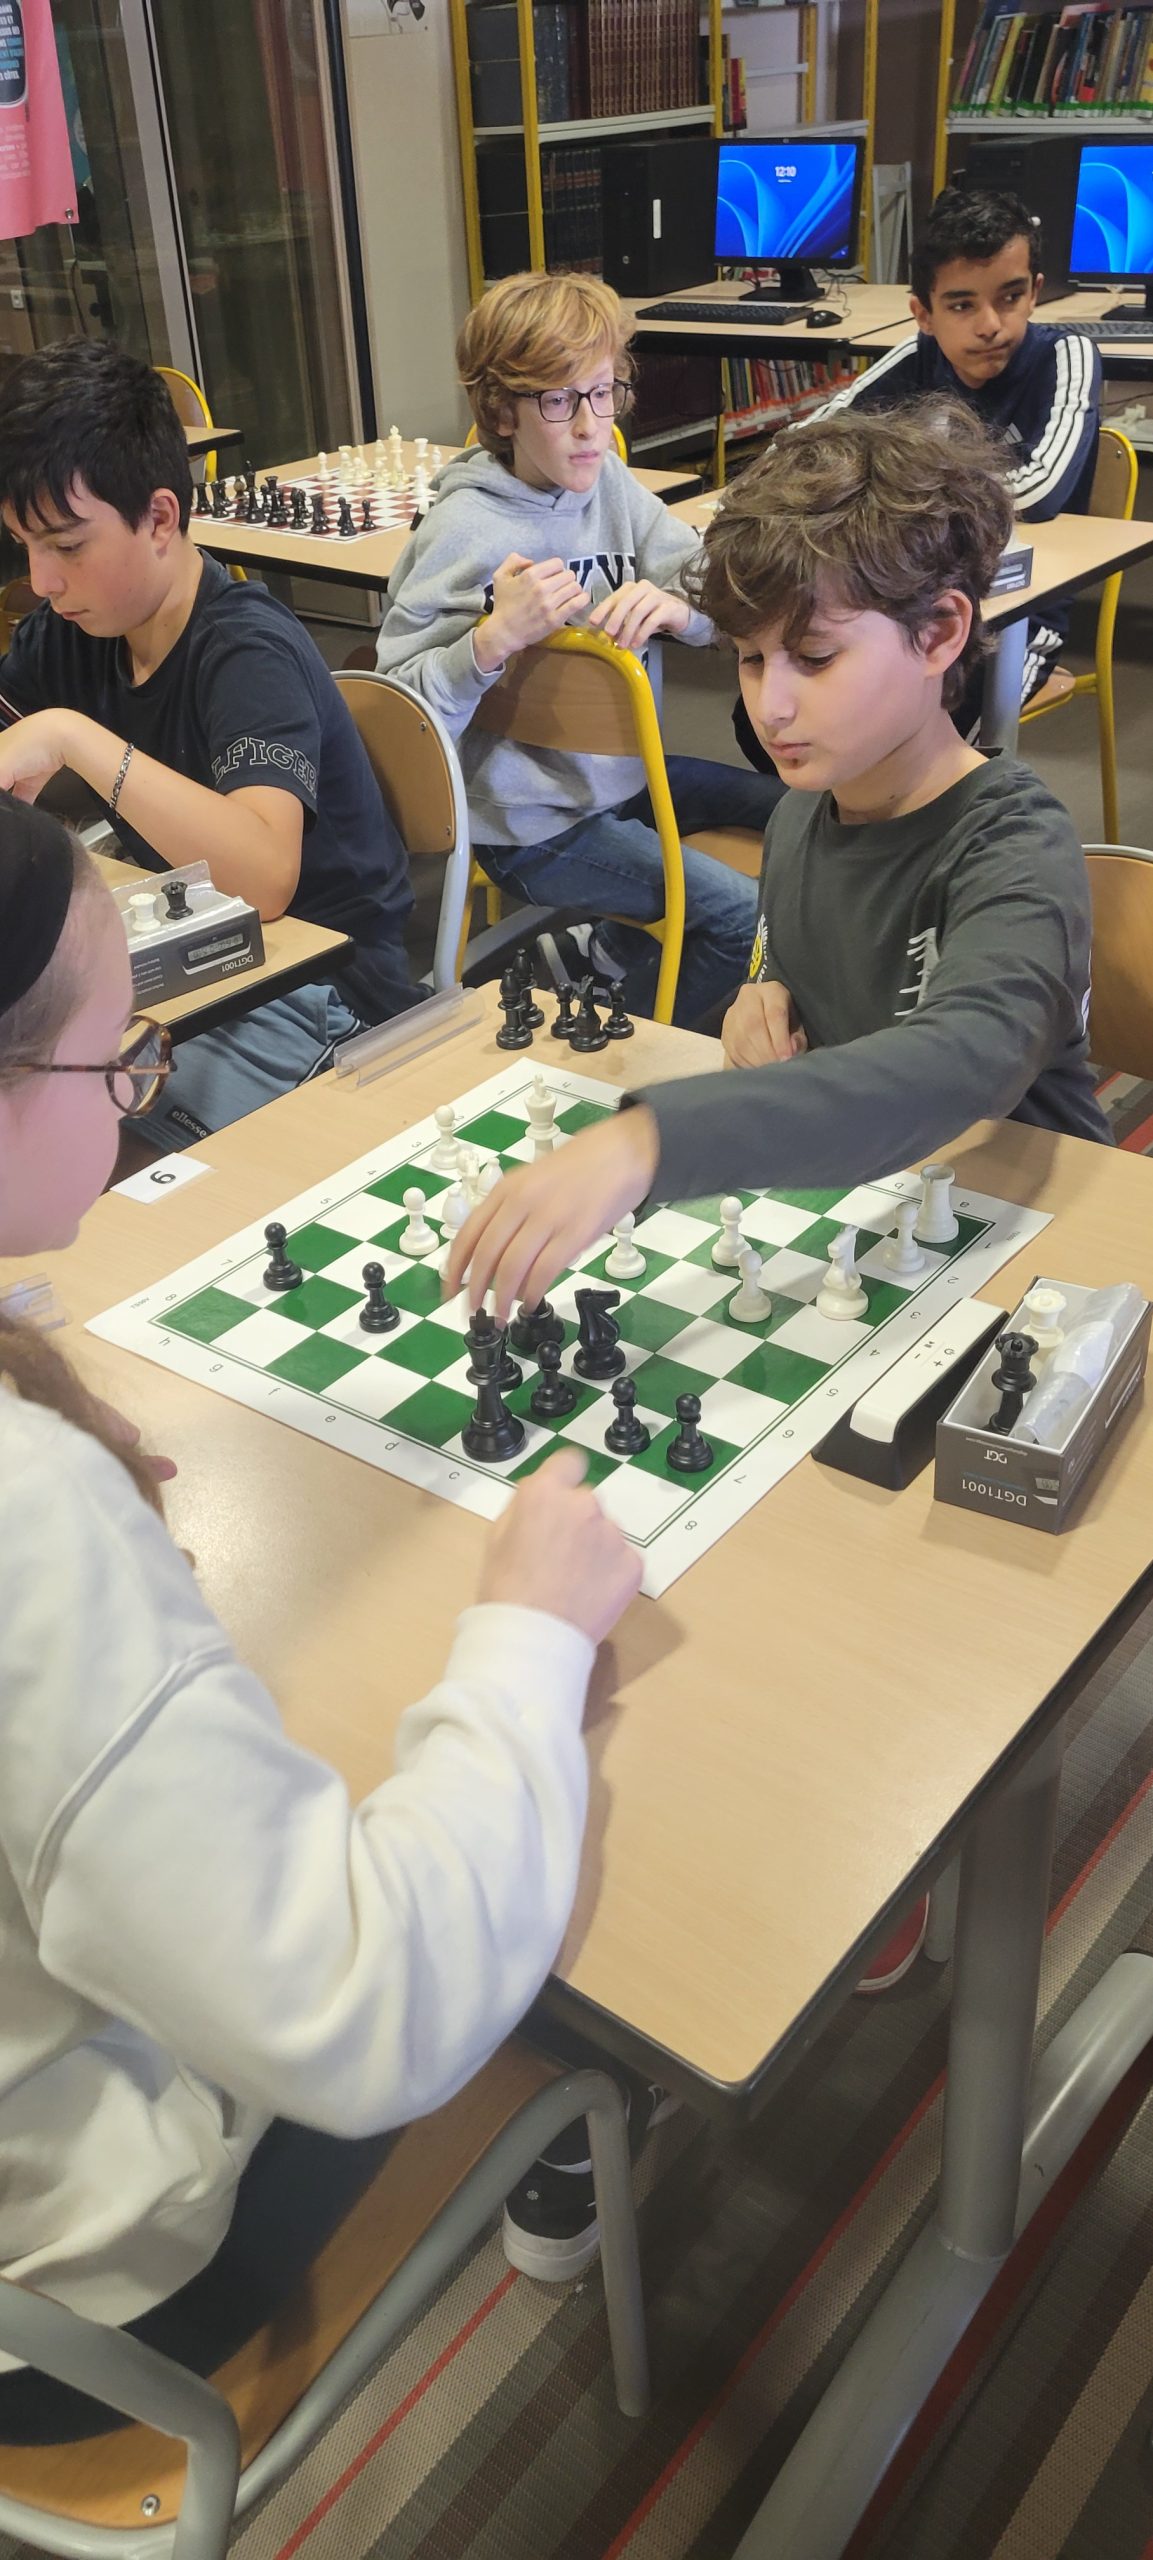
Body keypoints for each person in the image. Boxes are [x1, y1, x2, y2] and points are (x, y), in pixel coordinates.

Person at [444, 402, 1111, 1983]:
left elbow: (959, 1059)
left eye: (810, 656)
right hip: (855, 1241)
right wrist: (766, 1006)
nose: (770, 704)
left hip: (1024, 1264)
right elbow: (812, 989)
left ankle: (912, 1824)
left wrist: (651, 1141)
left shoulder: (1014, 842)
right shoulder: (808, 812)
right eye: (747, 662)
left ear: (942, 634)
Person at [0, 797, 642, 2435]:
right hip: (86, 2296)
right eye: (117, 1059)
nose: (140, 1091)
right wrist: (530, 1631)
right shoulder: (26, 1515)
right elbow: (369, 2012)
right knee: (585, 1910)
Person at [0, 339, 423, 1155]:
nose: (42, 580)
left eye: (67, 546)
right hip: (199, 966)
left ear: (160, 518)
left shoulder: (246, 650)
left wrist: (73, 737)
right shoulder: (74, 631)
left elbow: (264, 879)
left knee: (55, 1116)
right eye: (26, 545)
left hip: (325, 1000)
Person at [375, 269, 780, 1028]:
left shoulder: (609, 483)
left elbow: (716, 588)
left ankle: (603, 954)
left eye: (603, 392)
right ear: (502, 409)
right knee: (742, 922)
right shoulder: (463, 532)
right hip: (530, 828)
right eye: (559, 401)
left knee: (806, 808)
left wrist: (681, 611)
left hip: (623, 780)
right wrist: (490, 641)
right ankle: (603, 1039)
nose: (592, 425)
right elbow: (395, 717)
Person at [735, 184, 1102, 767]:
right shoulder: (917, 357)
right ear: (923, 314)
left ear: (1035, 292)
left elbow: (1039, 490)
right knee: (778, 721)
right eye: (961, 306)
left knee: (936, 748)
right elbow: (798, 446)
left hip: (1018, 618)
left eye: (1009, 297)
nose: (990, 324)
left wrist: (895, 490)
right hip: (904, 602)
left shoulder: (1065, 355)